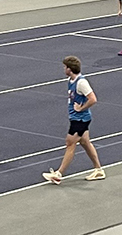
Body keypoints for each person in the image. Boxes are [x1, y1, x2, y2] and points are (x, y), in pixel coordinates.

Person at [43, 56, 106, 184]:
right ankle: (99, 170)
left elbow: (93, 99)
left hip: (80, 119)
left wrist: (81, 108)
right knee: (85, 143)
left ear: (70, 69)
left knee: (70, 143)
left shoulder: (81, 83)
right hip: (76, 118)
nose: (63, 69)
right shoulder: (71, 80)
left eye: (65, 67)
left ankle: (58, 174)